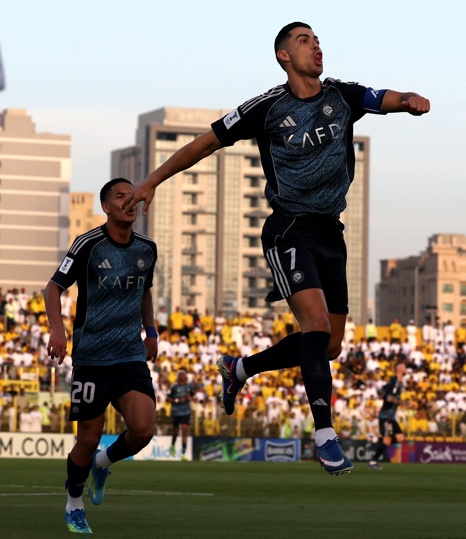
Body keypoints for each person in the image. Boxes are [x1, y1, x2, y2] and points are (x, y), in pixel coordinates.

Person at [122, 21, 429, 476]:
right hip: (288, 228)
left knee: (329, 346)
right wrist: (151, 180)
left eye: (318, 40)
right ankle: (325, 435)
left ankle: (241, 369)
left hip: (331, 232)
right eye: (305, 41)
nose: (316, 47)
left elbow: (382, 97)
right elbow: (206, 142)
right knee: (317, 325)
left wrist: (407, 101)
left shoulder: (342, 96)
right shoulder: (267, 108)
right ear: (285, 55)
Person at [45, 178, 158, 534]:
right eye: (120, 197)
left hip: (129, 354)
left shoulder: (147, 249)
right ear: (107, 207)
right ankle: (74, 503)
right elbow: (53, 287)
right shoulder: (88, 245)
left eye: (133, 196)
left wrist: (151, 331)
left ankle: (103, 463)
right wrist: (58, 329)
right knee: (88, 437)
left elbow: (144, 292)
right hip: (92, 356)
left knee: (143, 430)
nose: (129, 201)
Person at [368, 361, 407, 470]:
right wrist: (405, 403)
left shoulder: (395, 381)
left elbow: (382, 390)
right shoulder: (395, 382)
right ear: (399, 369)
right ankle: (373, 461)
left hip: (391, 416)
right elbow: (389, 398)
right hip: (386, 416)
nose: (405, 368)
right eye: (404, 366)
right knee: (387, 440)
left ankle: (375, 440)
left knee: (400, 438)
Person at [169, 369, 193, 460]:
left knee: (184, 431)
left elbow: (192, 395)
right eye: (181, 375)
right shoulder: (174, 387)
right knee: (175, 432)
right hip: (176, 411)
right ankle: (172, 446)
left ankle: (184, 452)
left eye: (184, 375)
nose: (183, 377)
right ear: (179, 377)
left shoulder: (189, 386)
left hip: (186, 411)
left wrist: (189, 398)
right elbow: (168, 398)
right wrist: (177, 400)